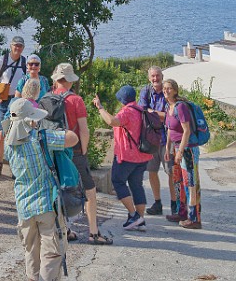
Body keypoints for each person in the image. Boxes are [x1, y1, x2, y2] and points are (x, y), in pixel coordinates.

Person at [4, 97, 79, 281]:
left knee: (31, 252)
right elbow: (73, 138)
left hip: (24, 208)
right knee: (52, 254)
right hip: (47, 206)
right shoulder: (42, 138)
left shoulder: (8, 143)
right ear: (30, 119)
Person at [52, 62, 112, 246]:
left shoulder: (47, 98)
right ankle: (93, 232)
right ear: (69, 80)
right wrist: (83, 150)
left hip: (55, 150)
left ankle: (64, 229)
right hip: (75, 151)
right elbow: (84, 130)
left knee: (58, 189)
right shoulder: (75, 100)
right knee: (89, 191)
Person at [93, 85, 152, 231]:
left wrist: (100, 108)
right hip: (143, 155)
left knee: (117, 181)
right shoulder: (140, 109)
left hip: (127, 155)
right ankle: (140, 219)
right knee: (136, 185)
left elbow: (112, 121)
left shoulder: (127, 111)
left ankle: (134, 215)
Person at [138, 65, 176, 216]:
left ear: (162, 75)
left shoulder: (168, 91)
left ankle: (175, 204)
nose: (155, 79)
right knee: (152, 172)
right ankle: (158, 203)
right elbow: (142, 111)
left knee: (171, 172)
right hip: (150, 140)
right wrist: (158, 115)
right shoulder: (146, 92)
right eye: (153, 76)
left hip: (167, 139)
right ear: (149, 78)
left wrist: (152, 112)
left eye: (157, 75)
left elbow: (170, 116)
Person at [163, 78, 202, 229]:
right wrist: (167, 148)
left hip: (187, 149)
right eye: (165, 88)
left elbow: (187, 131)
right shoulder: (169, 107)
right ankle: (182, 212)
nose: (166, 90)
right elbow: (169, 130)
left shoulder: (180, 107)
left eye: (169, 88)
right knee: (178, 181)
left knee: (190, 183)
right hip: (176, 148)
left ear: (175, 90)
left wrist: (180, 151)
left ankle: (194, 218)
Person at [0, 35, 27, 179]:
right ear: (11, 46)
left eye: (20, 46)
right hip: (4, 100)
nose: (18, 48)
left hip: (17, 101)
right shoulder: (2, 60)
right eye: (15, 45)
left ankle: (14, 165)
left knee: (16, 133)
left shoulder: (25, 62)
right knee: (1, 133)